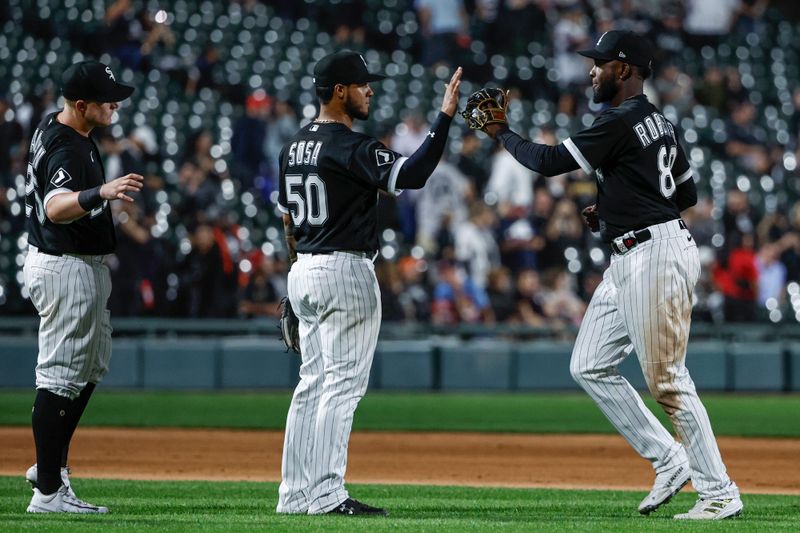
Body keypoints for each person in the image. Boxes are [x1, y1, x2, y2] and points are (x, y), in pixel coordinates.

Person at [474, 30, 742, 520]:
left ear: (625, 69)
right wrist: (620, 206)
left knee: (667, 380)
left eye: (600, 63)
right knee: (589, 363)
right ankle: (669, 458)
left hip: (654, 256)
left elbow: (551, 162)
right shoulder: (659, 121)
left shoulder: (620, 118)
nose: (592, 71)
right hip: (637, 249)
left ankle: (719, 491)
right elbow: (686, 196)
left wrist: (500, 134)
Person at [276, 50, 461, 516]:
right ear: (340, 91)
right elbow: (413, 174)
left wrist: (294, 277)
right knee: (341, 386)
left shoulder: (293, 145)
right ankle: (326, 493)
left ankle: (295, 493)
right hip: (344, 270)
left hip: (304, 268)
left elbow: (287, 219)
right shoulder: (348, 145)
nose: (370, 90)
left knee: (311, 384)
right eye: (362, 84)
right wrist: (444, 118)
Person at [22, 60, 143, 513]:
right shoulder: (68, 148)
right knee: (59, 376)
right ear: (80, 105)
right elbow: (56, 208)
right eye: (106, 99)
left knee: (90, 367)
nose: (115, 104)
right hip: (64, 266)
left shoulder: (58, 125)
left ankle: (48, 465)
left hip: (74, 265)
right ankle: (49, 490)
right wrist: (101, 193)